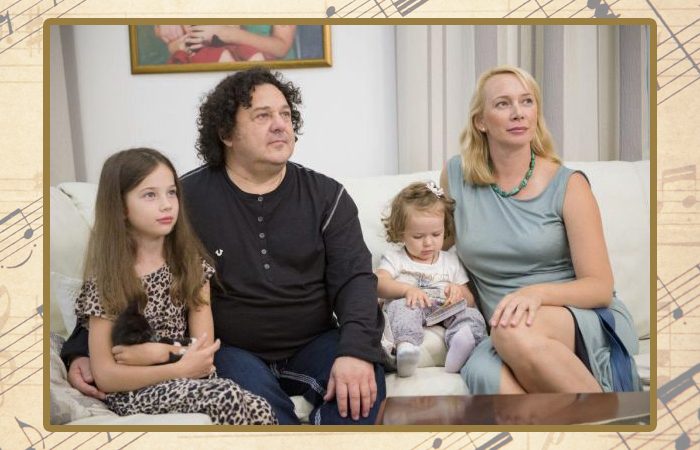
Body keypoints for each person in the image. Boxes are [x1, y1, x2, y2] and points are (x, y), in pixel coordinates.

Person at [62, 68, 386, 425]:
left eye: (285, 114)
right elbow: (126, 265)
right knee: (251, 405)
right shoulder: (184, 200)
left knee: (363, 385)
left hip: (315, 342)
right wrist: (80, 349)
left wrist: (356, 350)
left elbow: (355, 280)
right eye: (262, 116)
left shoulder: (328, 196)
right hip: (229, 352)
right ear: (226, 133)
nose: (280, 125)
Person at [440, 65, 642, 394]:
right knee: (487, 376)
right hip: (504, 327)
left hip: (579, 315)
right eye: (503, 104)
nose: (518, 113)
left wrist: (535, 294)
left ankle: (611, 419)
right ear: (480, 121)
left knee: (511, 330)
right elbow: (436, 247)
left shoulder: (569, 185)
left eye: (527, 101)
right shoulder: (456, 177)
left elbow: (600, 287)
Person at [70, 147, 276, 425]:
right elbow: (106, 376)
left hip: (192, 379)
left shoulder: (190, 265)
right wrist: (177, 367)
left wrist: (159, 353)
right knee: (226, 395)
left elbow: (203, 352)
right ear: (120, 208)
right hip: (136, 391)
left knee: (260, 407)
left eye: (171, 193)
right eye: (150, 195)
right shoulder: (107, 281)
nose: (167, 205)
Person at [376, 181, 486, 377]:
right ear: (401, 233)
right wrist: (406, 290)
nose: (428, 243)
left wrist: (458, 292)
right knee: (400, 308)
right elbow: (378, 283)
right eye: (418, 236)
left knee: (472, 315)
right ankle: (406, 348)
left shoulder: (450, 260)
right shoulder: (396, 259)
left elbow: (470, 300)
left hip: (444, 309)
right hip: (411, 306)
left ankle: (461, 345)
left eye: (436, 234)